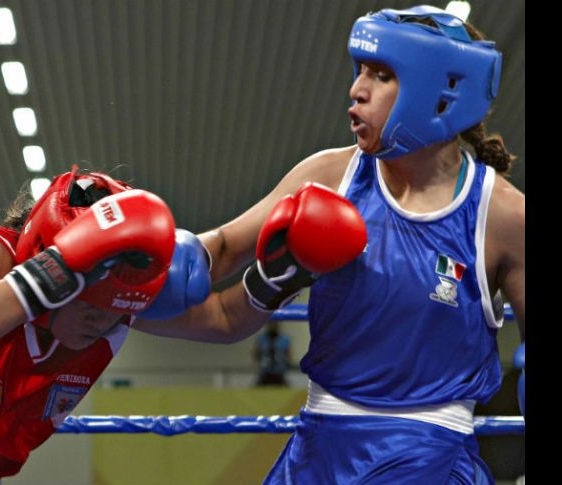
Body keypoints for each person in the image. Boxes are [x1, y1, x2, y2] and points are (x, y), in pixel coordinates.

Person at [134, 5, 524, 483]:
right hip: (316, 448)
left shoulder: (501, 215)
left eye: (382, 75)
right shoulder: (328, 176)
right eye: (360, 70)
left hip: (429, 457)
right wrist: (132, 273)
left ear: (441, 93)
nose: (356, 90)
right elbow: (218, 253)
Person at [0, 165, 212, 483]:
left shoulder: (114, 300)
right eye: (88, 297)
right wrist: (60, 269)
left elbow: (225, 310)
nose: (100, 316)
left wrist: (263, 279)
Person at [253, 322, 292, 386]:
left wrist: (288, 364)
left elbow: (289, 354)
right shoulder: (261, 339)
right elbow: (256, 353)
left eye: (275, 324)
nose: (273, 326)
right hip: (265, 371)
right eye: (271, 324)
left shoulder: (284, 339)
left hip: (279, 371)